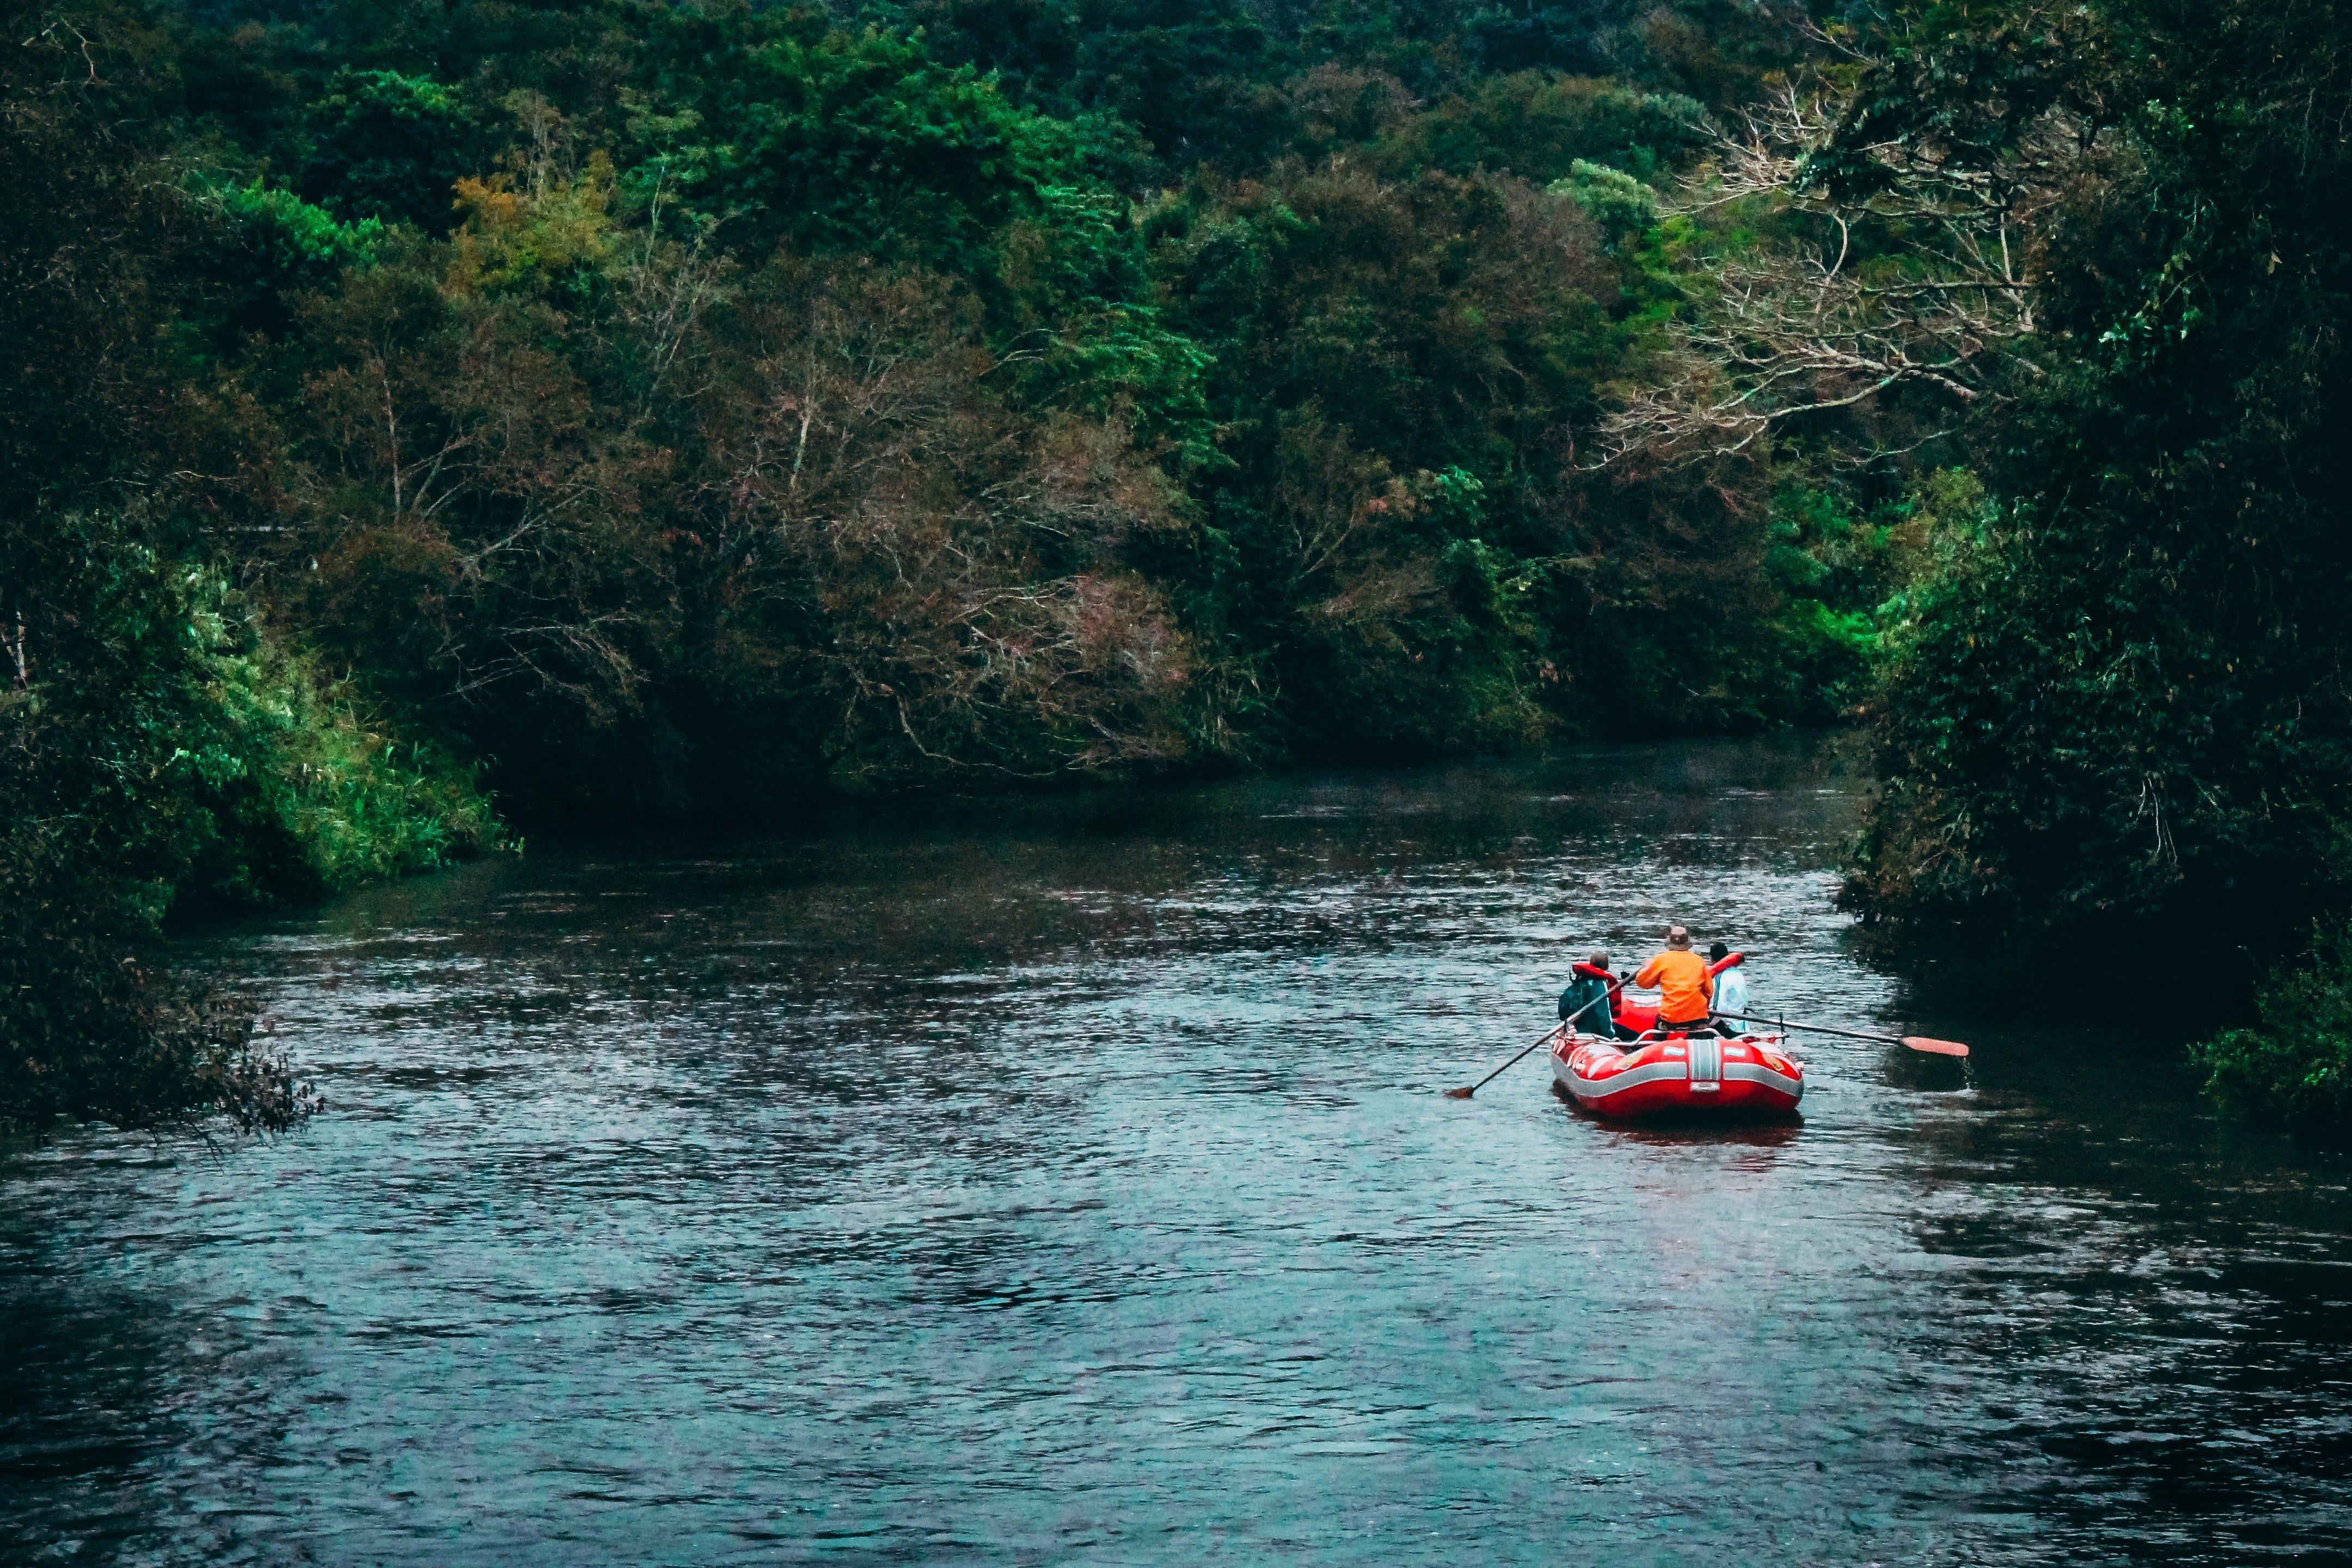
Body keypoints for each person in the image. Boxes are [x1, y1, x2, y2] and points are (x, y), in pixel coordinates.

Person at [1634, 924, 1714, 1036]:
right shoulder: (1699, 960)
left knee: (1657, 1031)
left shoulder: (1661, 959)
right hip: (1697, 1017)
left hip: (1670, 1017)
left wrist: (1647, 968)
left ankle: (1657, 1046)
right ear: (1687, 941)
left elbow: (1643, 983)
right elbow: (1709, 991)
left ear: (1670, 941)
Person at [1558, 951, 1630, 1039]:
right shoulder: (1601, 984)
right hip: (1595, 1031)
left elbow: (1563, 1010)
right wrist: (1611, 1037)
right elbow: (1603, 1014)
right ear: (1606, 967)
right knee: (1633, 1035)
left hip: (1579, 1029)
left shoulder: (1579, 982)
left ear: (1591, 964)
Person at [1709, 940, 1750, 1034]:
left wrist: (1706, 1024)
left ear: (1712, 959)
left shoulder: (1720, 977)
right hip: (1743, 1026)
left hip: (1729, 1028)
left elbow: (1717, 1009)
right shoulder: (1738, 974)